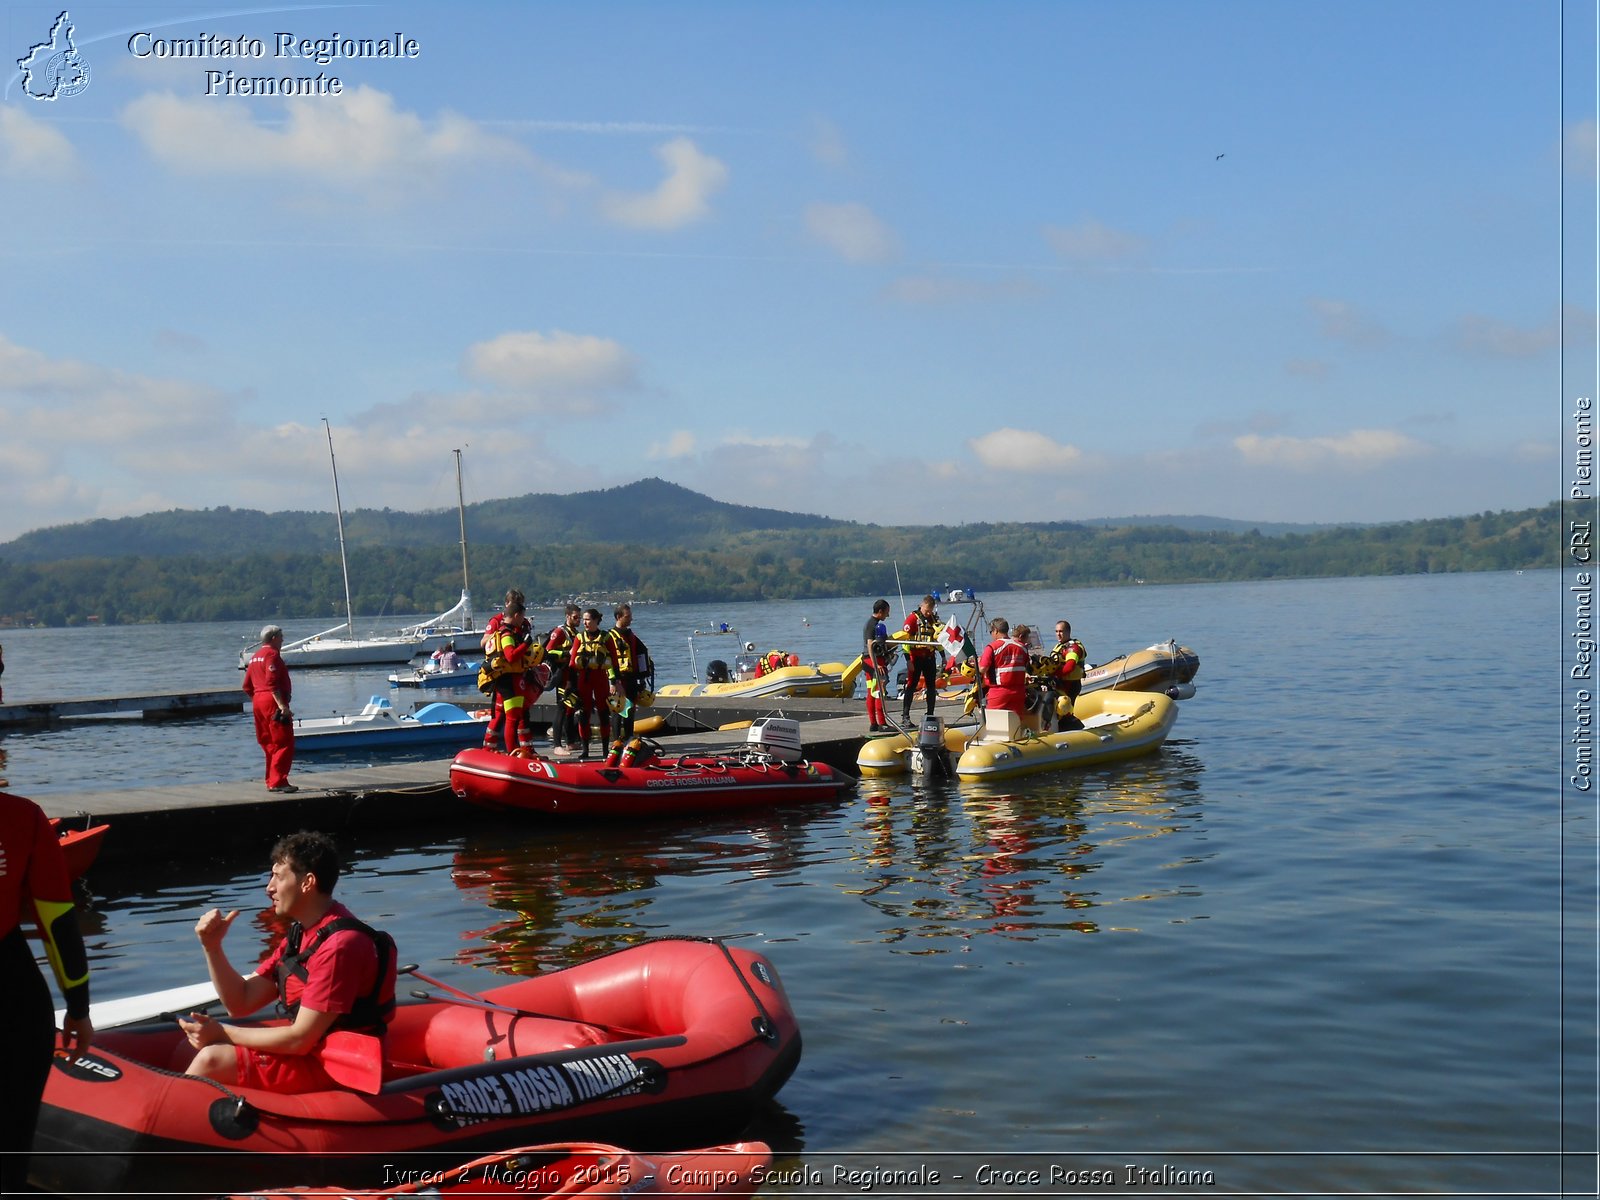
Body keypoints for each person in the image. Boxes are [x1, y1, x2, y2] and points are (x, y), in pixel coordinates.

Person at [179, 830, 396, 1094]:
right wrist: (212, 947)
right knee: (186, 1048)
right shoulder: (300, 934)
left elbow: (300, 1040)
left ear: (307, 883)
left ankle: (159, 1129)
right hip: (313, 1053)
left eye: (278, 877)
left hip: (339, 1066)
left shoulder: (340, 945)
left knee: (211, 1059)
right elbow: (241, 1001)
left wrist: (222, 1033)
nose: (269, 887)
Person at [1, 791, 92, 1194]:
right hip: (13, 1000)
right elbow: (56, 917)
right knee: (11, 1146)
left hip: (14, 1003)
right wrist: (78, 1007)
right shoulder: (22, 816)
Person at [480, 592, 541, 753]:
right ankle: (507, 751)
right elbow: (509, 654)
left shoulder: (521, 625)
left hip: (517, 674)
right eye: (517, 604)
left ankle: (524, 749)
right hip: (508, 677)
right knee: (508, 717)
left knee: (519, 715)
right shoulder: (502, 627)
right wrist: (523, 644)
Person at [243, 625, 296, 793]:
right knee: (283, 741)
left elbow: (246, 686)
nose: (283, 640)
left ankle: (271, 779)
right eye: (281, 636)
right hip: (272, 700)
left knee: (268, 742)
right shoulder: (272, 655)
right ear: (273, 638)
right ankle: (278, 781)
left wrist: (258, 700)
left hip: (258, 700)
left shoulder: (255, 657)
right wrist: (281, 706)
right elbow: (272, 682)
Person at [564, 609, 622, 759]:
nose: (585, 622)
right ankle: (585, 750)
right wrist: (570, 684)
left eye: (588, 619)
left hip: (600, 678)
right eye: (583, 620)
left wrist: (615, 682)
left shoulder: (606, 637)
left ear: (596, 620)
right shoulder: (579, 637)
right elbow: (571, 663)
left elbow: (615, 662)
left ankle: (604, 750)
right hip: (584, 679)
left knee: (603, 713)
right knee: (584, 714)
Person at [606, 604, 651, 746]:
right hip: (617, 679)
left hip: (631, 678)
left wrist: (642, 678)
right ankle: (616, 741)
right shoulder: (609, 637)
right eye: (628, 616)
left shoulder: (632, 636)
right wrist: (613, 682)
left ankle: (629, 738)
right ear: (619, 617)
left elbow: (641, 654)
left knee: (630, 710)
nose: (631, 619)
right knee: (617, 710)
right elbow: (607, 661)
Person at [544, 604, 583, 751]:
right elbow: (548, 651)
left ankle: (570, 741)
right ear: (567, 617)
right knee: (561, 708)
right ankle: (557, 745)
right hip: (562, 675)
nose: (578, 620)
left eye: (579, 617)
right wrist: (566, 654)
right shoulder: (560, 632)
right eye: (575, 617)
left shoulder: (575, 633)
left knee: (570, 708)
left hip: (573, 675)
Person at [900, 594, 941, 726]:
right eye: (926, 610)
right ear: (921, 606)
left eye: (930, 610)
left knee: (931, 686)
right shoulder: (912, 619)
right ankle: (905, 716)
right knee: (912, 685)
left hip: (929, 657)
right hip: (915, 657)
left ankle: (930, 713)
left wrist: (943, 656)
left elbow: (937, 638)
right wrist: (908, 660)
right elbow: (904, 641)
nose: (928, 613)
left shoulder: (933, 620)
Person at [976, 617, 1029, 717]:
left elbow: (982, 669)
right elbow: (1026, 664)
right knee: (1016, 722)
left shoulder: (992, 647)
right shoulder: (1022, 647)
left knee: (994, 722)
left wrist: (978, 662)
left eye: (991, 631)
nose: (991, 634)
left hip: (999, 691)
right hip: (1019, 691)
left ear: (996, 631)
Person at [1050, 620, 1089, 731]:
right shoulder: (1059, 646)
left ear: (1068, 632)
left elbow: (1070, 666)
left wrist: (1054, 674)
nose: (1058, 634)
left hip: (1070, 684)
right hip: (1061, 683)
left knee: (1065, 710)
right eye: (1056, 631)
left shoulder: (1073, 648)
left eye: (1061, 631)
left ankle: (1075, 728)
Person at [862, 599, 893, 732]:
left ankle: (873, 723)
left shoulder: (872, 623)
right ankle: (882, 723)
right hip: (873, 661)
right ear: (880, 611)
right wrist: (876, 664)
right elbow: (870, 644)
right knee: (880, 692)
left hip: (867, 661)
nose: (888, 615)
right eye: (887, 612)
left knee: (871, 693)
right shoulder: (872, 625)